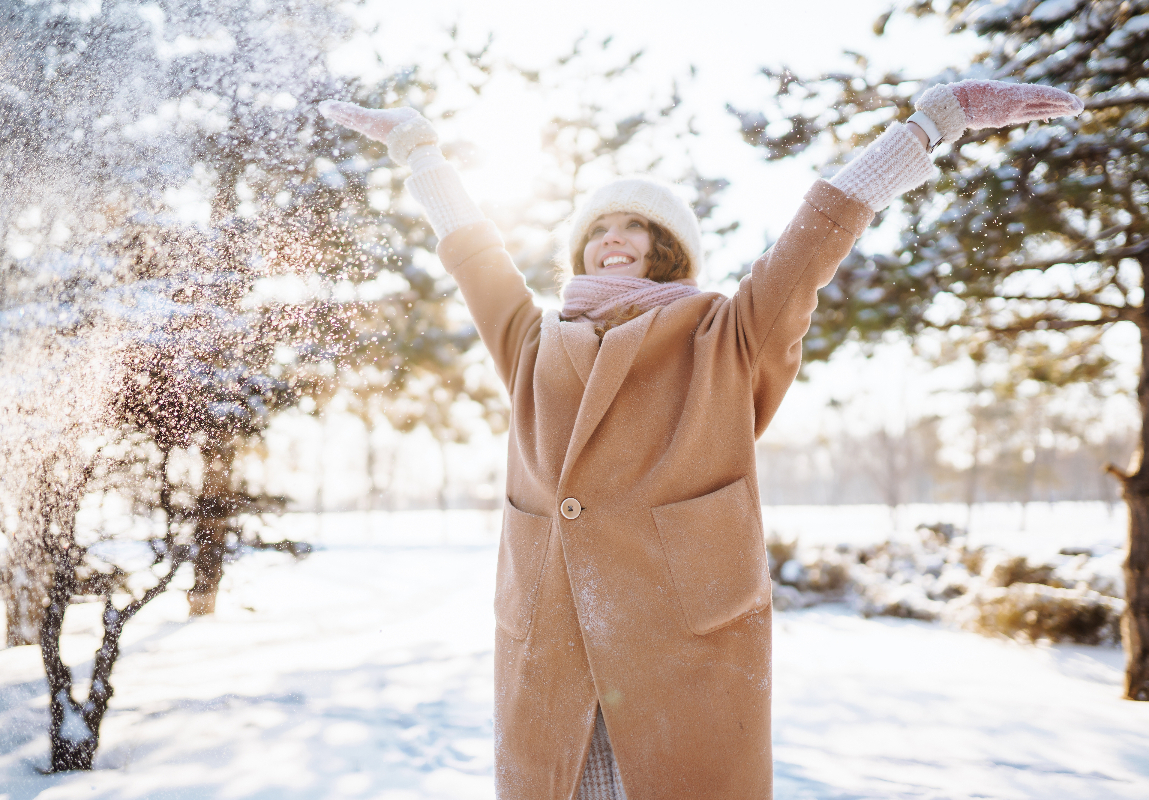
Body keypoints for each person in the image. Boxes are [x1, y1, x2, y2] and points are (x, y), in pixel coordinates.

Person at [320, 79, 1082, 800]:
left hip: (681, 652)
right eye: (601, 228)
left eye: (638, 227)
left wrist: (931, 123)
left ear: (670, 248)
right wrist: (422, 153)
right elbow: (474, 254)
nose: (614, 239)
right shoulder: (532, 341)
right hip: (551, 658)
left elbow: (815, 240)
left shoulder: (727, 334)